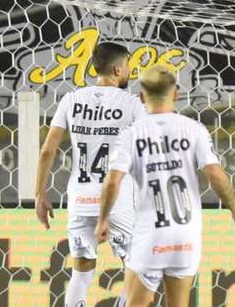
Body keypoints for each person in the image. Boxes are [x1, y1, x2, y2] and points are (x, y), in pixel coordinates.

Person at [96, 64, 235, 306]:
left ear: (141, 97)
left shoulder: (131, 134)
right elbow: (216, 175)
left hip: (152, 235)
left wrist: (103, 219)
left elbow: (113, 181)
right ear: (176, 94)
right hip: (185, 235)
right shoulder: (194, 130)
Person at [35, 41, 145, 307]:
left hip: (81, 200)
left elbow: (48, 150)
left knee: (81, 272)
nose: (130, 71)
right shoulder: (131, 104)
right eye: (128, 66)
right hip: (116, 201)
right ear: (118, 69)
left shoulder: (71, 100)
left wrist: (40, 194)